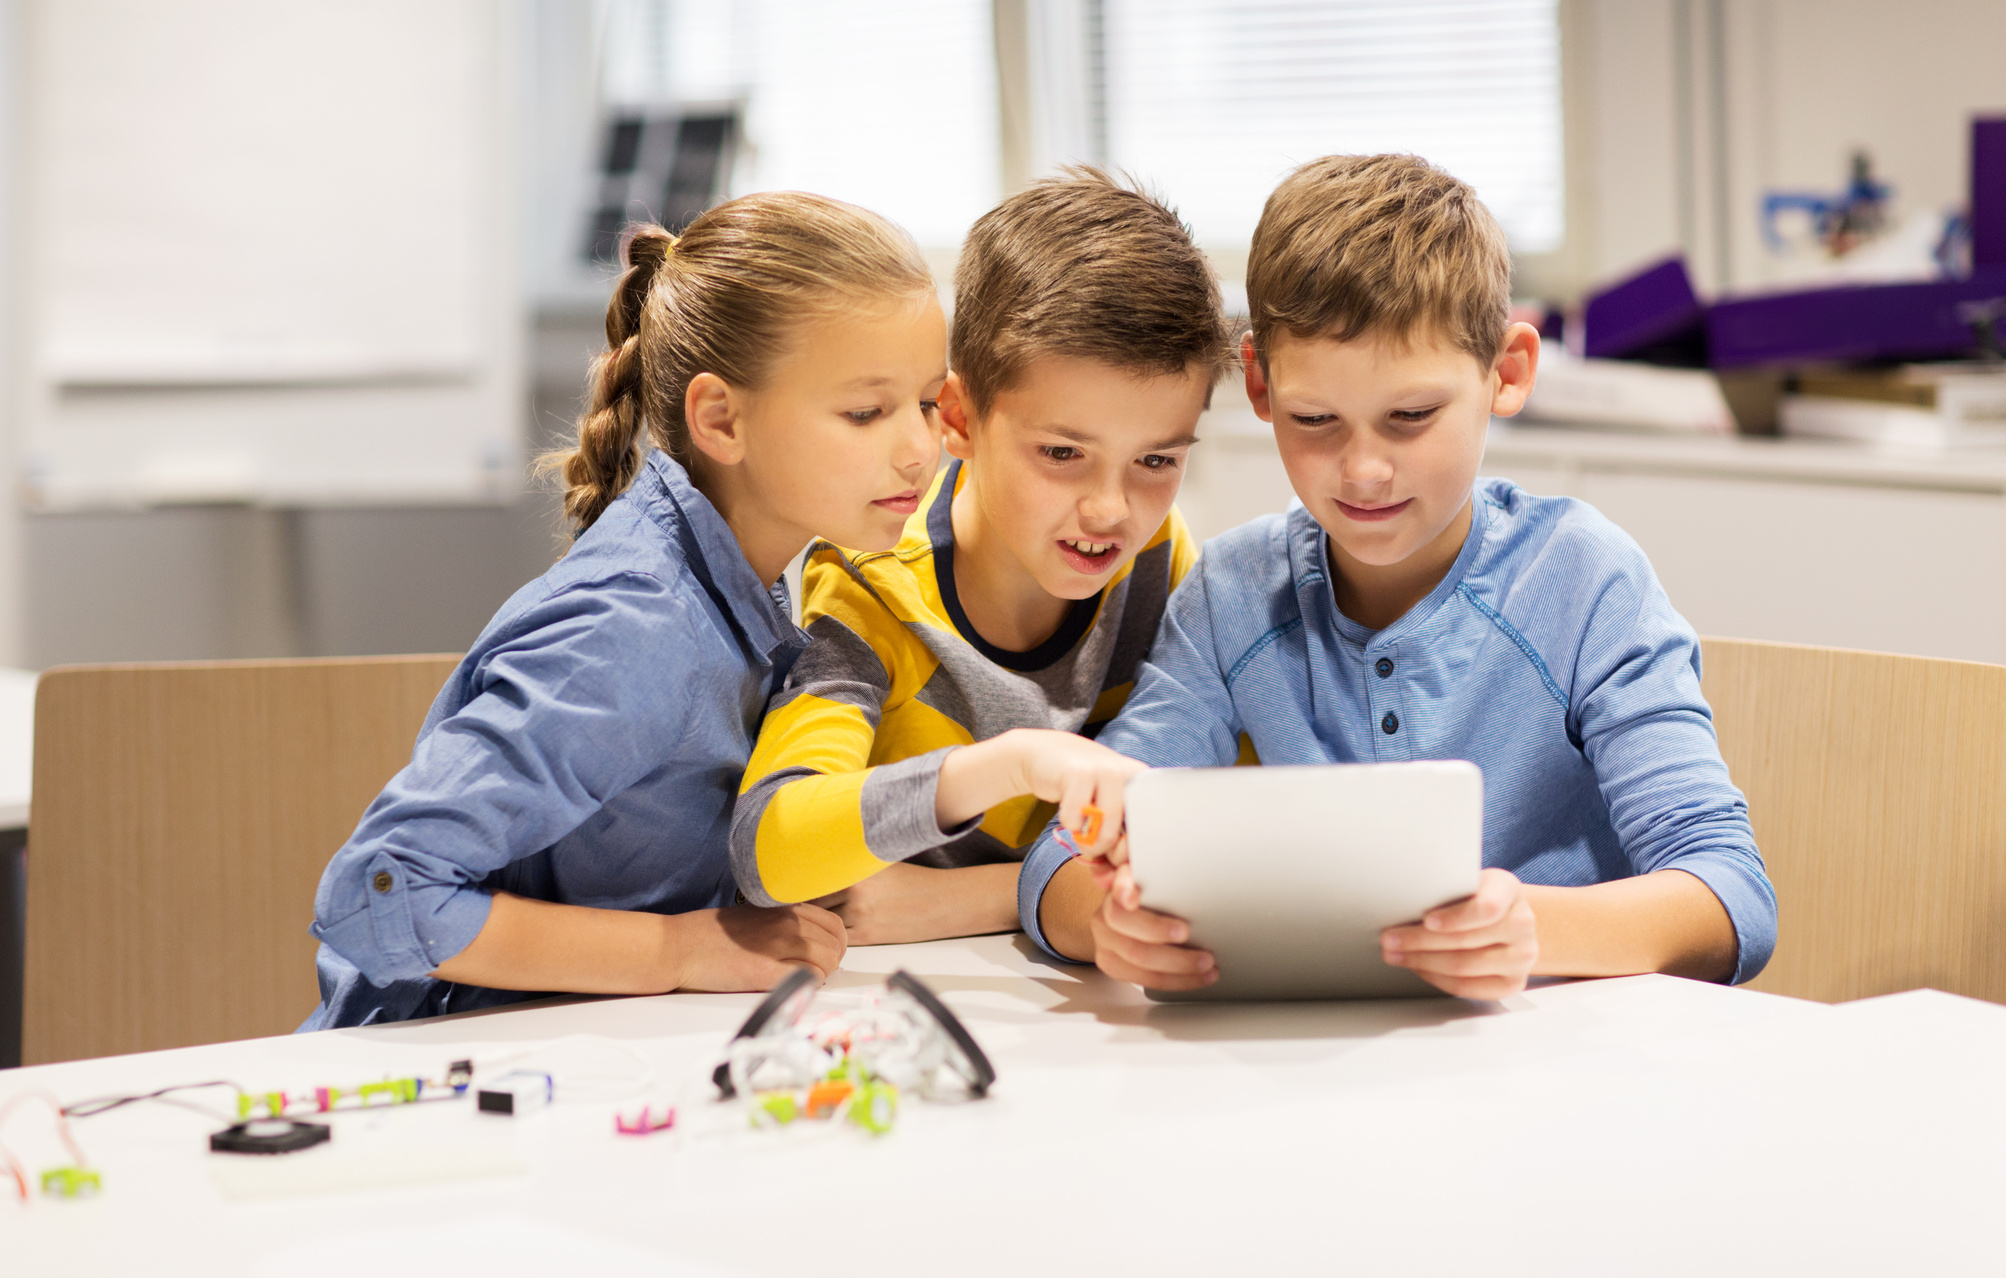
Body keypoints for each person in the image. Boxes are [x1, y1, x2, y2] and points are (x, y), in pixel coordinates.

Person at [1023, 154, 1776, 998]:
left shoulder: (1582, 580)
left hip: (1564, 1058)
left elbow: (1731, 897)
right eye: (1316, 420)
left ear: (1508, 372)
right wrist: (1105, 921)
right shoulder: (1232, 596)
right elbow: (1063, 854)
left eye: (1411, 417)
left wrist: (1531, 930)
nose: (1364, 471)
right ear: (1261, 387)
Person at [301, 192, 948, 1027]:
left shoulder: (762, 573)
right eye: (867, 412)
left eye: (928, 403)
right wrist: (673, 953)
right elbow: (379, 891)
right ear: (721, 419)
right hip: (451, 1072)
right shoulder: (638, 629)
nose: (921, 447)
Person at [729, 170, 1231, 944]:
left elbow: (1218, 811)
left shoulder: (1159, 557)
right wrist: (1019, 763)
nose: (1110, 509)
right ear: (958, 419)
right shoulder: (868, 584)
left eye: (1157, 461)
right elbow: (770, 849)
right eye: (1062, 453)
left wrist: (979, 897)